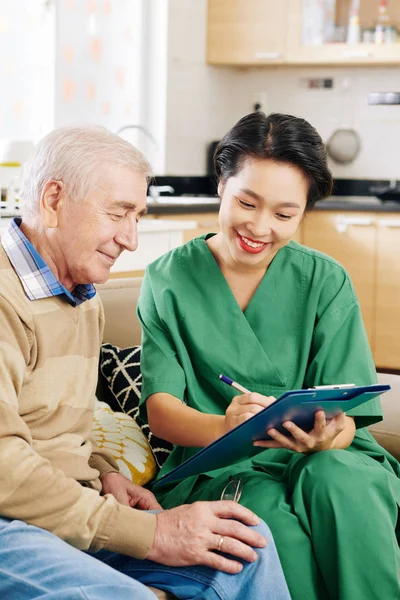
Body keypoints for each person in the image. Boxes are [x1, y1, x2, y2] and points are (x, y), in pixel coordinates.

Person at [0, 125, 292, 600]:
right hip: (10, 520)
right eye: (118, 213)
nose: (131, 239)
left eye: (137, 215)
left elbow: (50, 425)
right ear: (53, 200)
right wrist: (150, 533)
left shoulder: (79, 293)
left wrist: (102, 470)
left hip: (68, 507)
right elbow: (5, 469)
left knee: (243, 552)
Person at [138, 112, 400, 600]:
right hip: (223, 466)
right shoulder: (166, 280)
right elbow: (160, 410)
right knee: (265, 520)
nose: (259, 227)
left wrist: (327, 436)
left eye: (284, 215)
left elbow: (350, 415)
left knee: (343, 484)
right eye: (246, 202)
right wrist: (224, 428)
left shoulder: (325, 281)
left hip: (327, 459)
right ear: (221, 183)